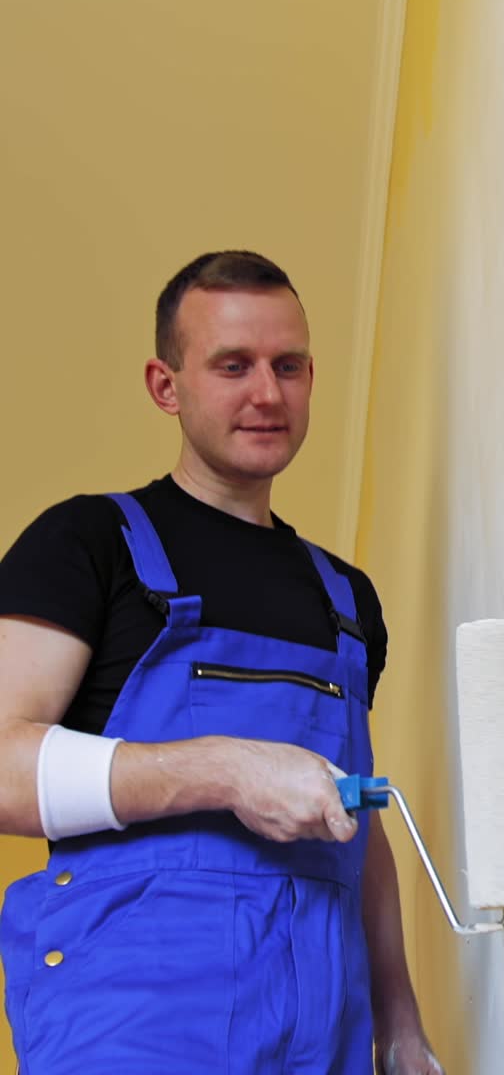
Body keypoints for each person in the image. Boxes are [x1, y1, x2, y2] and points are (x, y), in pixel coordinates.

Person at [0, 251, 445, 1074]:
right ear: (166, 386)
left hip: (320, 1028)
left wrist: (401, 1022)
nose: (267, 394)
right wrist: (227, 770)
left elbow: (358, 817)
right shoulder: (91, 545)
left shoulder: (347, 599)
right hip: (137, 1024)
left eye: (288, 366)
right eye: (233, 366)